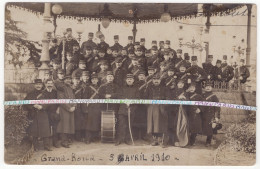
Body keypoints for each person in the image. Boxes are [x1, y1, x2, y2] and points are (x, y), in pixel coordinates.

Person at [23, 79, 52, 151]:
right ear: (34, 85)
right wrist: (33, 106)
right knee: (34, 131)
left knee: (45, 130)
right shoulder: (30, 94)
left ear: (42, 85)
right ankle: (36, 146)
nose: (38, 86)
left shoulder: (45, 93)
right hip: (34, 114)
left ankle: (47, 146)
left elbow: (49, 102)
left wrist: (42, 106)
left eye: (40, 84)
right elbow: (25, 103)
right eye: (37, 84)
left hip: (43, 113)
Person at [116, 73, 140, 145]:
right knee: (121, 124)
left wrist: (131, 102)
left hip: (131, 109)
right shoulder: (122, 88)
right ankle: (119, 139)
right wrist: (125, 100)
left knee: (129, 124)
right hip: (122, 109)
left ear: (133, 80)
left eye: (131, 79)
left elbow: (138, 98)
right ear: (126, 80)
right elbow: (119, 96)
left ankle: (127, 139)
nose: (129, 80)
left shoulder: (136, 89)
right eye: (128, 79)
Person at [146, 74, 168, 148]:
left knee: (160, 123)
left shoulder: (164, 88)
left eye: (157, 79)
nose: (156, 81)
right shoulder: (149, 88)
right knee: (152, 123)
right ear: (152, 80)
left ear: (160, 80)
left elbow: (167, 98)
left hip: (161, 107)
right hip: (151, 107)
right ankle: (154, 139)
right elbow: (145, 97)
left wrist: (162, 103)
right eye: (154, 79)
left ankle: (160, 139)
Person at [56, 75, 76, 148]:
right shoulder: (61, 88)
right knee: (64, 125)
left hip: (71, 108)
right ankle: (63, 141)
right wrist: (69, 108)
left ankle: (67, 139)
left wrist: (74, 106)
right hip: (64, 109)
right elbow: (61, 100)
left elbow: (74, 97)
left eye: (69, 79)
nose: (68, 80)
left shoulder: (70, 88)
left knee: (70, 124)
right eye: (66, 79)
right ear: (64, 80)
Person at [82, 72, 101, 144]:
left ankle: (94, 137)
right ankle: (88, 138)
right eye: (93, 79)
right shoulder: (88, 87)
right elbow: (84, 98)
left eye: (95, 79)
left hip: (98, 107)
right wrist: (85, 108)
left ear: (97, 80)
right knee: (89, 123)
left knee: (96, 123)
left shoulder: (100, 87)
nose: (94, 80)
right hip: (90, 108)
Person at [40, 79, 59, 148]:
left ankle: (55, 142)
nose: (50, 85)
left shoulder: (55, 92)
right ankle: (47, 145)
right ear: (45, 84)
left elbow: (59, 102)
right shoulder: (43, 93)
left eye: (51, 83)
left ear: (53, 84)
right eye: (48, 83)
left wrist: (58, 109)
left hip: (54, 112)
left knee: (55, 128)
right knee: (46, 129)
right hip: (46, 113)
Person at [201, 81, 221, 146]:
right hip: (203, 114)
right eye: (206, 87)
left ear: (211, 88)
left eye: (209, 87)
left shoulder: (214, 96)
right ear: (204, 88)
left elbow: (217, 107)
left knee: (210, 128)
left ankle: (208, 141)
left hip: (211, 114)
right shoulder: (202, 95)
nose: (208, 88)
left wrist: (216, 116)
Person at [71, 74, 84, 142]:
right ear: (73, 80)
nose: (76, 81)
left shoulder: (81, 88)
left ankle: (78, 137)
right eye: (75, 80)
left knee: (78, 122)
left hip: (79, 107)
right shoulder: (70, 88)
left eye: (78, 80)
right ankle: (71, 137)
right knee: (71, 121)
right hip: (72, 106)